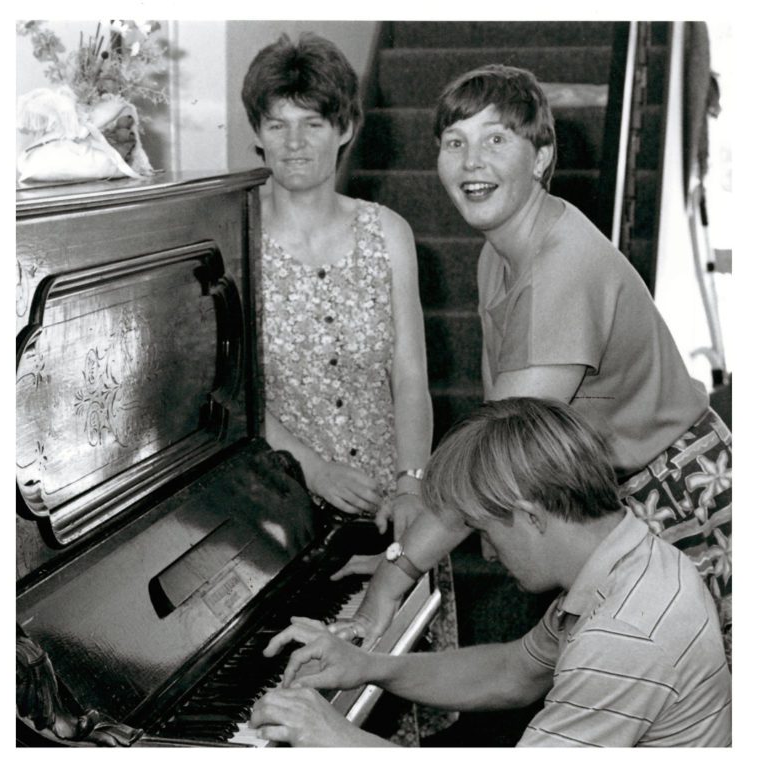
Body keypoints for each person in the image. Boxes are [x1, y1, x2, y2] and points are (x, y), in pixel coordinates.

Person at [334, 64, 732, 663]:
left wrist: (395, 574)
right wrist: (414, 541)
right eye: (454, 142)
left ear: (542, 157)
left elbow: (498, 453)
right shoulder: (499, 253)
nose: (471, 162)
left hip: (675, 498)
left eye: (496, 139)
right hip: (608, 499)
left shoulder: (561, 269)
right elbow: (500, 424)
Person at [249, 398, 731, 747]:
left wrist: (334, 737)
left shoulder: (624, 635)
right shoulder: (629, 557)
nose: (489, 553)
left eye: (485, 530)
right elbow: (512, 673)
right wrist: (367, 668)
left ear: (530, 515)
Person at [240, 32, 458, 744]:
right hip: (282, 524)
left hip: (394, 516)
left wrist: (411, 481)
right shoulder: (232, 242)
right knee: (298, 717)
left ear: (346, 130)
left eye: (314, 122)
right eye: (278, 122)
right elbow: (234, 394)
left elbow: (412, 377)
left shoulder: (387, 232)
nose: (295, 142)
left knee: (390, 722)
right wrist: (313, 466)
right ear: (257, 135)